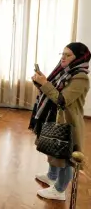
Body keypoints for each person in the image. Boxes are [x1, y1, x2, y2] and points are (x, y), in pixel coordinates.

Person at [29, 42, 90, 201]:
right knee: (53, 150)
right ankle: (51, 176)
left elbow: (61, 100)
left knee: (65, 155)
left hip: (68, 123)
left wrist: (45, 84)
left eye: (68, 55)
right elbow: (51, 93)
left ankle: (60, 190)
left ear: (79, 58)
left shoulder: (80, 77)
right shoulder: (63, 72)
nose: (63, 57)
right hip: (54, 117)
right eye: (62, 54)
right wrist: (40, 82)